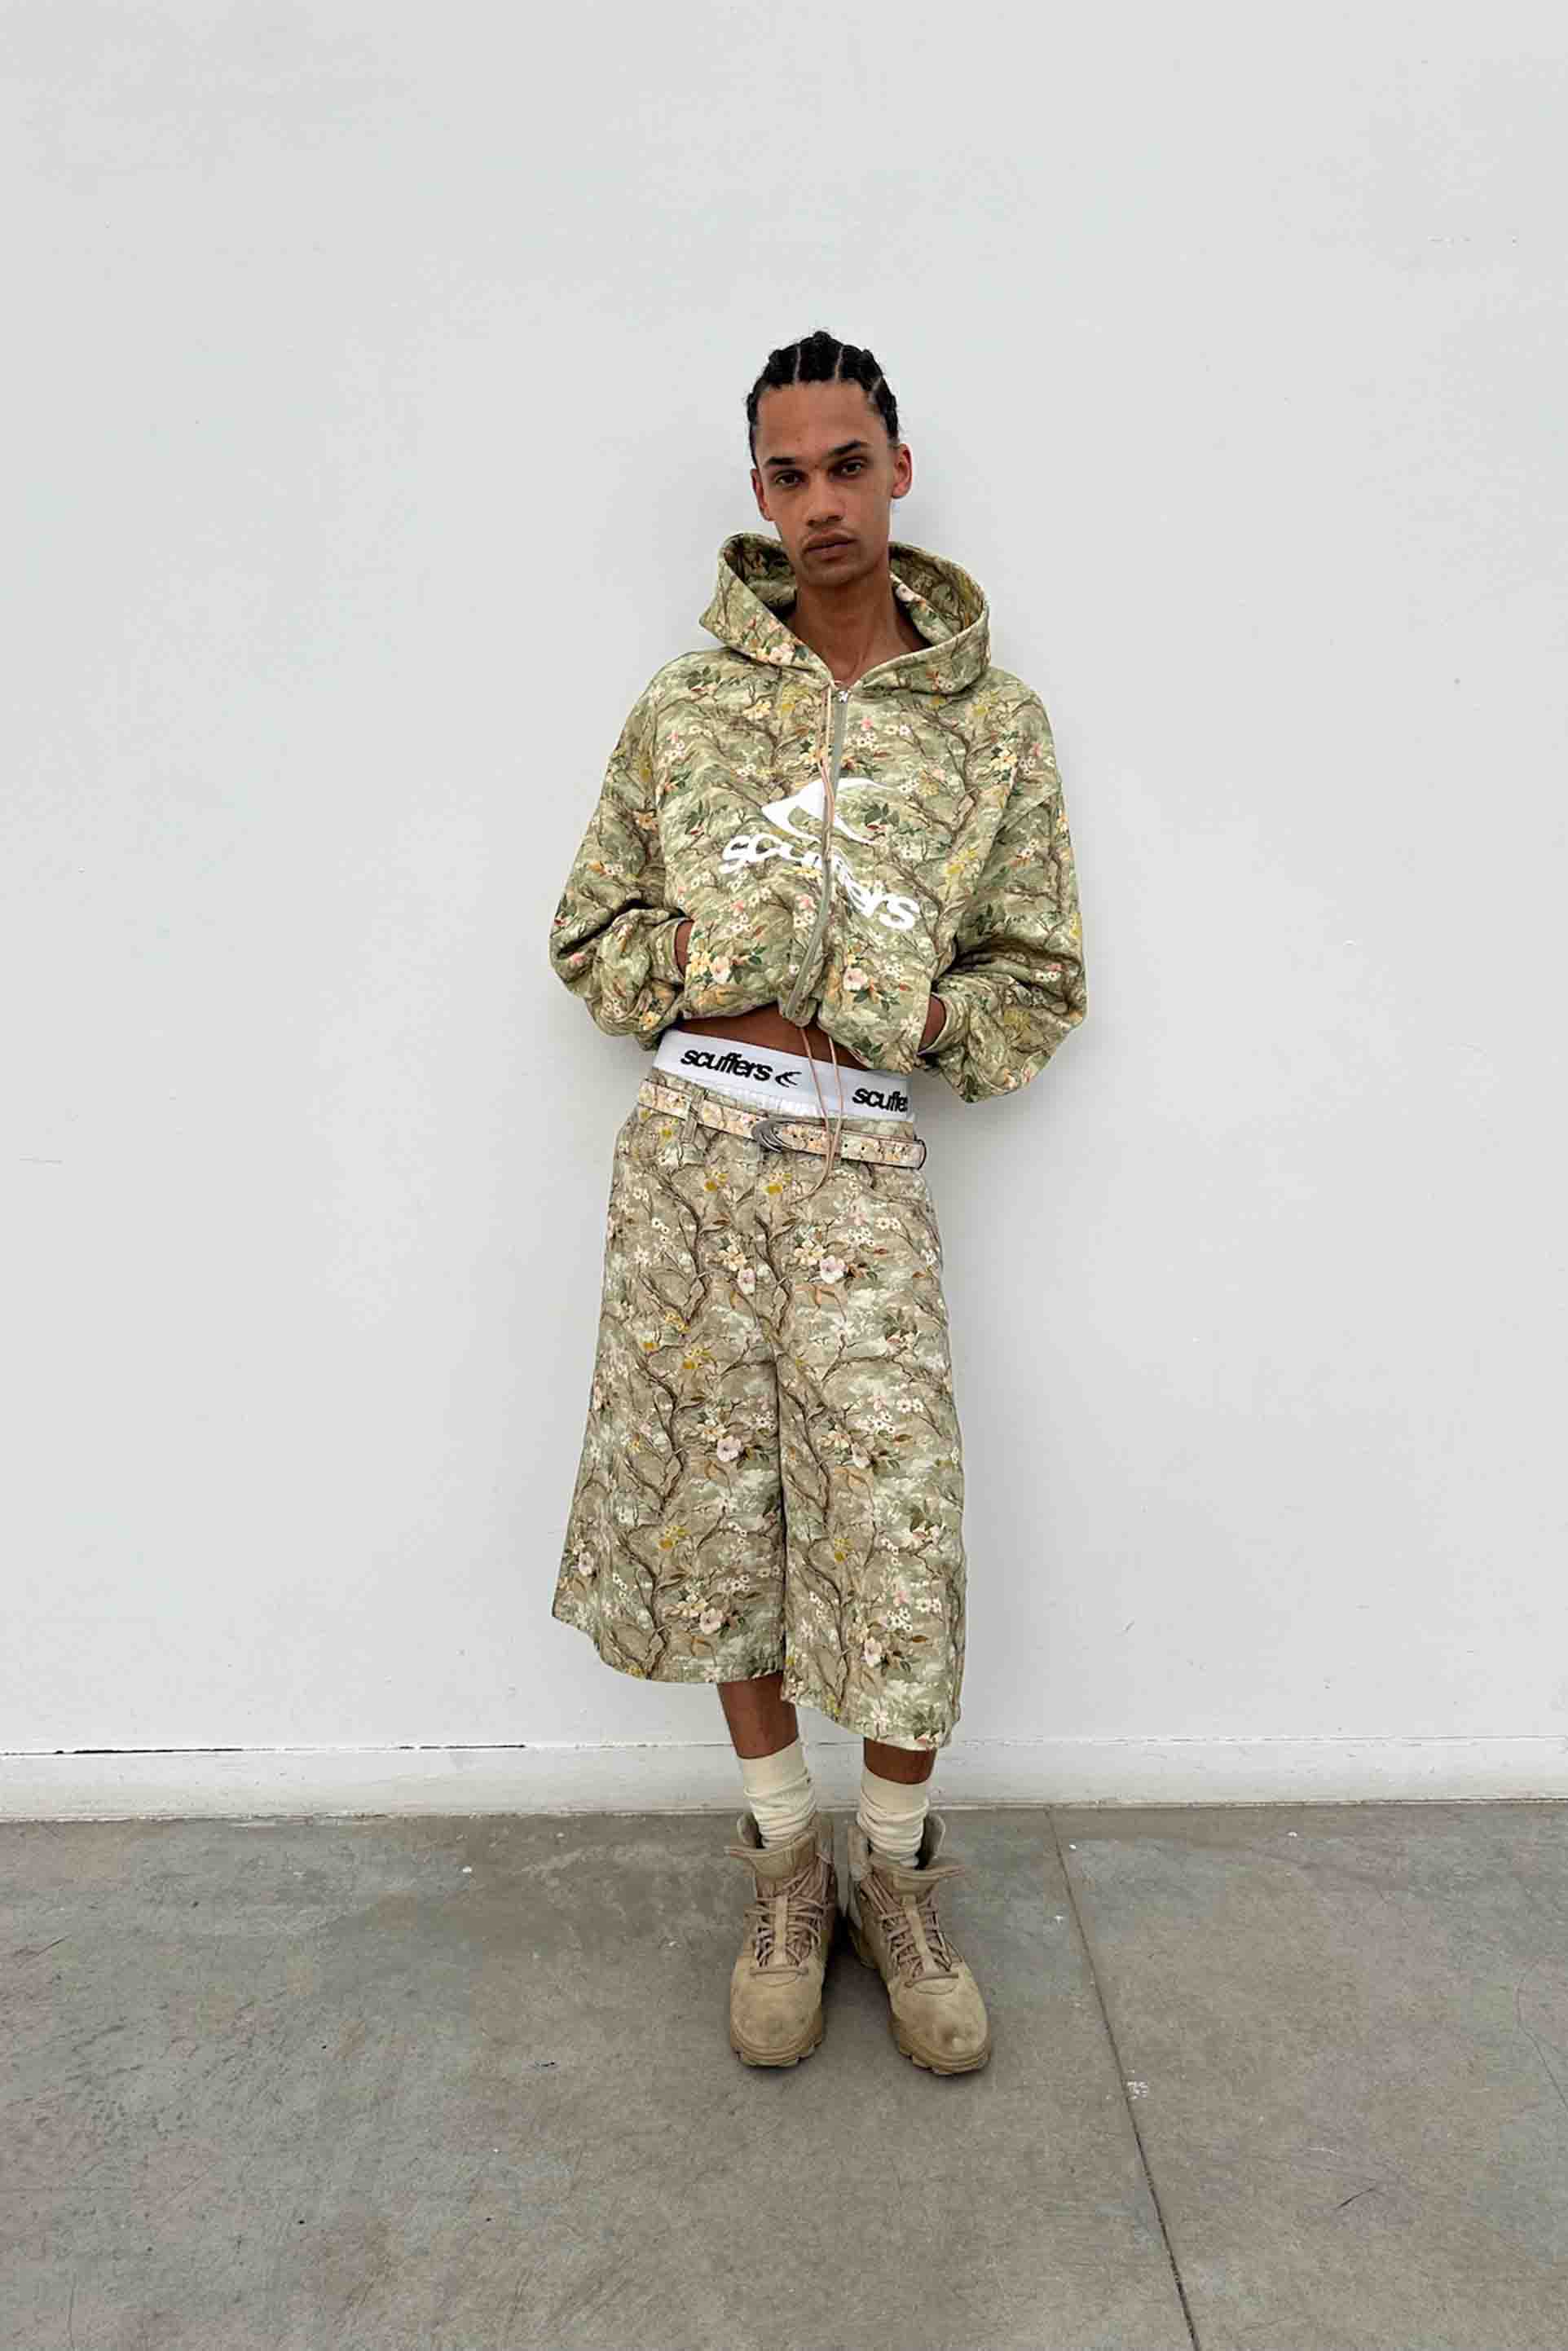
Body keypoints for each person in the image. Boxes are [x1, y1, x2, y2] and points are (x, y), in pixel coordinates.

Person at [547, 329, 1087, 2074]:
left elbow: (1036, 983)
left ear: (896, 470)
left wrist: (904, 1013)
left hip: (860, 1164)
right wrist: (714, 966)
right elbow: (589, 934)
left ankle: (895, 1877)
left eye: (847, 465)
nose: (820, 502)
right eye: (788, 475)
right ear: (760, 492)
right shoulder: (686, 705)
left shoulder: (990, 726)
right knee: (722, 1522)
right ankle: (787, 1862)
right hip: (695, 1156)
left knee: (894, 1532)